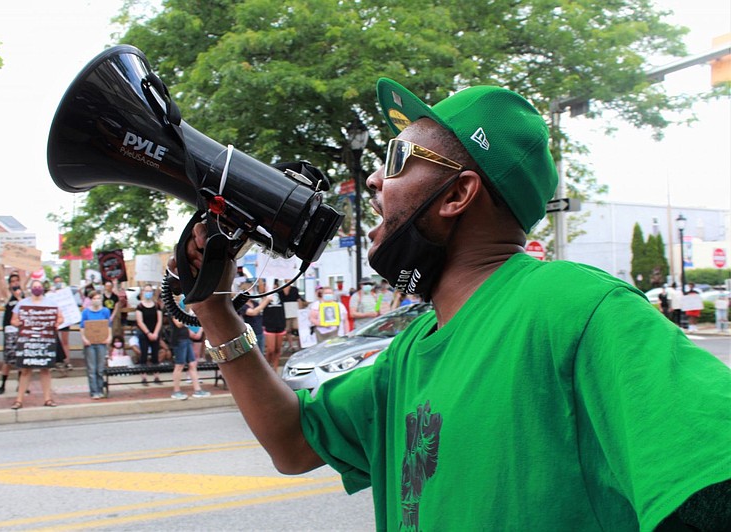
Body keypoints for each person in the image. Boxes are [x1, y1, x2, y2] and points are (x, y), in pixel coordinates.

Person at [178, 79, 730, 530]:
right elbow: (293, 443)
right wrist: (214, 306)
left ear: (457, 195)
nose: (373, 177)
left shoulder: (576, 306)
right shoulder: (411, 350)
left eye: (396, 159)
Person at [10, 279, 63, 409]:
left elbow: (60, 317)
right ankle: (19, 400)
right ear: (30, 289)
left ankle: (48, 399)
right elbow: (13, 320)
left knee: (45, 369)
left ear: (42, 288)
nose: (37, 288)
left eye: (39, 286)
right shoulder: (22, 304)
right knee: (26, 370)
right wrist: (19, 323)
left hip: (45, 340)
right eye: (35, 286)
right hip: (28, 341)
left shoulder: (51, 303)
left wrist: (57, 323)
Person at [0, 265, 24, 395]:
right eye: (12, 281)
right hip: (9, 330)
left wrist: (19, 297)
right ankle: (3, 384)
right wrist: (0, 264)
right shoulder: (8, 295)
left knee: (21, 359)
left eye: (17, 281)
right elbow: (1, 279)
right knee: (8, 360)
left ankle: (21, 384)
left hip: (20, 329)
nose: (15, 283)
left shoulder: (23, 296)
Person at [169, 312, 211, 400]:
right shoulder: (172, 310)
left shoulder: (181, 310)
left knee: (192, 364)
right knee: (179, 365)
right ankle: (176, 391)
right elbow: (178, 324)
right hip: (178, 340)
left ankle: (198, 390)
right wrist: (187, 318)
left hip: (186, 339)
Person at [80, 290, 111, 399]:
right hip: (90, 343)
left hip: (101, 342)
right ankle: (94, 391)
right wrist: (84, 339)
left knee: (100, 368)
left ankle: (100, 389)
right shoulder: (86, 312)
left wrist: (108, 337)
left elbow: (108, 325)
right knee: (92, 368)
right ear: (90, 300)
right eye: (94, 298)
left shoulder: (105, 311)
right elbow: (82, 327)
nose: (96, 300)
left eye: (98, 298)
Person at [135, 284, 163, 385]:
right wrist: (148, 333)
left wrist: (155, 333)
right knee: (144, 354)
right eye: (146, 291)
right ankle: (144, 377)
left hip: (155, 333)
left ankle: (156, 376)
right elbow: (140, 321)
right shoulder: (140, 306)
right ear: (143, 292)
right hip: (144, 334)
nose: (148, 293)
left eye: (150, 291)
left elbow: (159, 320)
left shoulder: (156, 305)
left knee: (155, 354)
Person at [261, 281, 286, 372]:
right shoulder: (266, 294)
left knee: (277, 349)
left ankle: (275, 369)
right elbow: (261, 288)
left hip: (280, 323)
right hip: (269, 323)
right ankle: (267, 367)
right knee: (270, 349)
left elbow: (287, 288)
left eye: (275, 285)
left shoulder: (281, 293)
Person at [280, 281, 304, 352]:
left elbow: (298, 299)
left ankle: (300, 345)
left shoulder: (294, 289)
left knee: (297, 328)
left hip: (294, 309)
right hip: (285, 310)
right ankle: (291, 346)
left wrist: (300, 310)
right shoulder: (281, 289)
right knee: (288, 329)